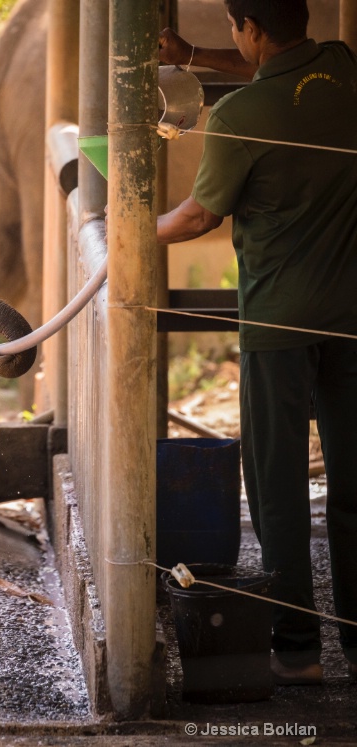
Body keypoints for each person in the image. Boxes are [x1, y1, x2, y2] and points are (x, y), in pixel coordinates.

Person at [157, 0, 357, 686]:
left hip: (278, 324)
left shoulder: (239, 116)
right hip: (351, 316)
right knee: (352, 480)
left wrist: (125, 229)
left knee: (277, 489)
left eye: (237, 32)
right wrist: (192, 57)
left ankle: (297, 648)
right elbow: (273, 68)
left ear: (250, 29)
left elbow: (198, 216)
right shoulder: (341, 67)